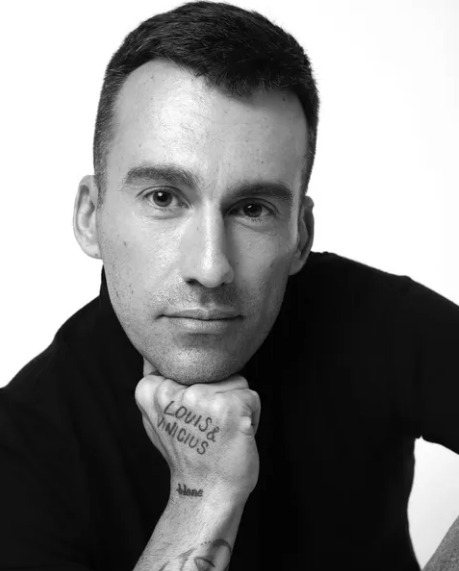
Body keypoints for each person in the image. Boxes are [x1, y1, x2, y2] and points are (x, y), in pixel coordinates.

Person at [0, 1, 458, 570]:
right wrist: (204, 494)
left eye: (252, 208)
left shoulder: (376, 321)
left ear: (300, 235)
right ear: (91, 216)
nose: (211, 266)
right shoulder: (23, 445)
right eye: (164, 198)